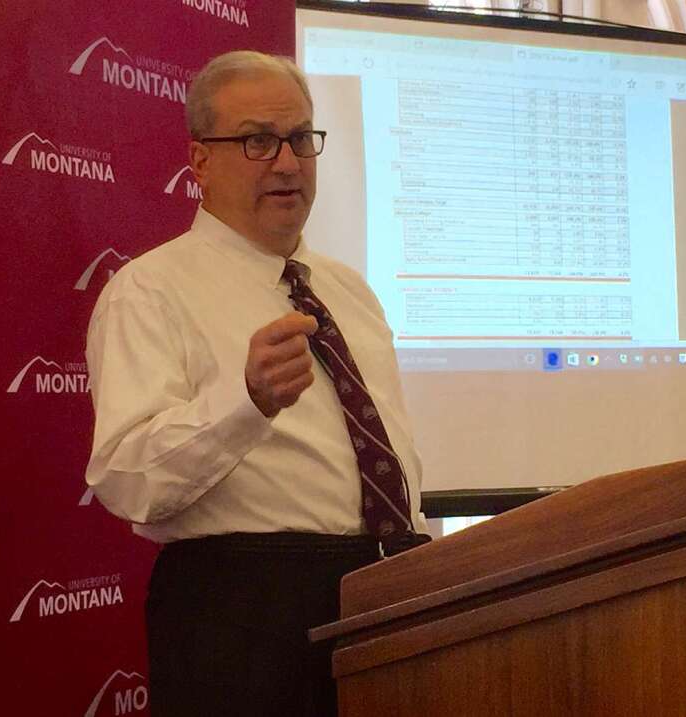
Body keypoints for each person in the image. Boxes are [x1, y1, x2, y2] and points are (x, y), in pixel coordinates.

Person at [85, 51, 429, 717]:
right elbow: (126, 477)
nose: (287, 161)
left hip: (385, 594)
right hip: (241, 615)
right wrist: (247, 401)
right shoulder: (149, 291)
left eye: (301, 137)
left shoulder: (349, 291)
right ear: (200, 161)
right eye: (257, 140)